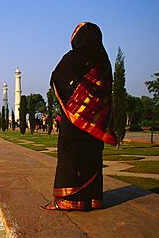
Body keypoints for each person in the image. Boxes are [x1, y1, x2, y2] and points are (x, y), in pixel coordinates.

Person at [43, 22, 117, 211]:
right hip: (95, 123)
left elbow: (58, 78)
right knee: (91, 157)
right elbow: (106, 91)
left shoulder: (72, 58)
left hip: (75, 122)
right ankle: (93, 199)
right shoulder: (104, 62)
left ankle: (68, 201)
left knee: (71, 157)